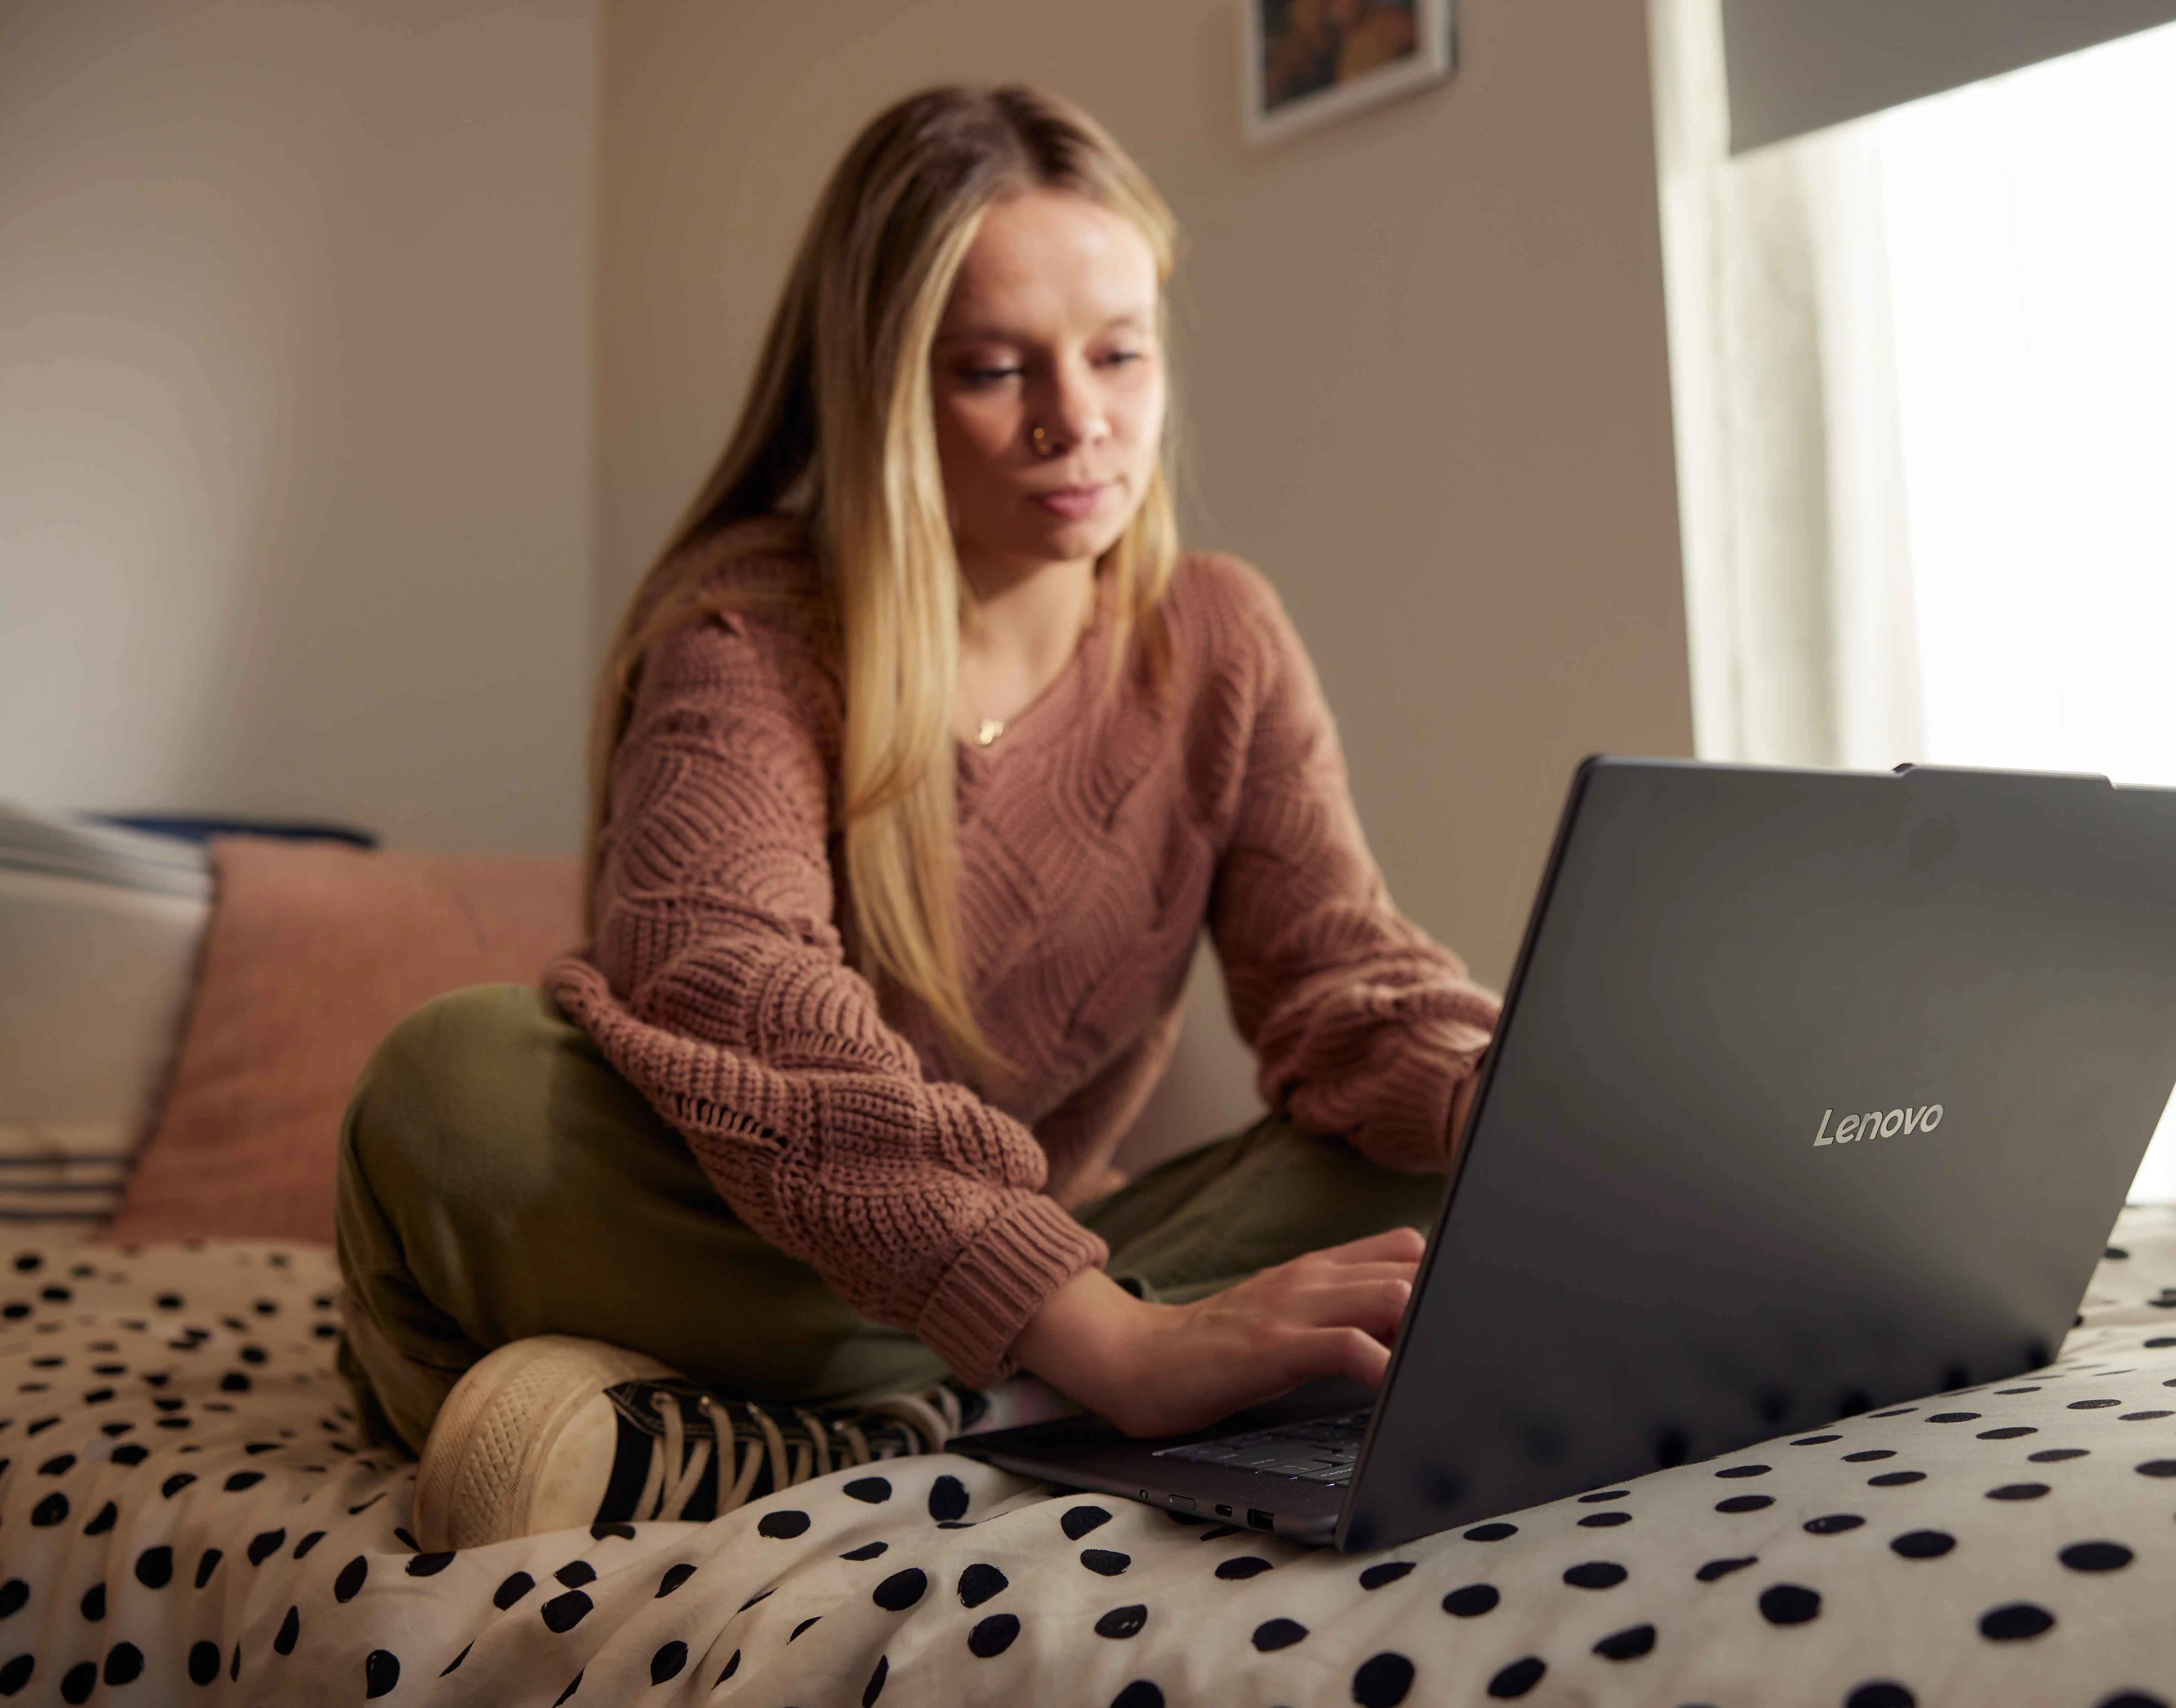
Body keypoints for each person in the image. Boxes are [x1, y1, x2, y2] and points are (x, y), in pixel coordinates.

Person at [332, 83, 1498, 1551]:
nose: (1079, 424)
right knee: (454, 1086)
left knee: (1460, 1143)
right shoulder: (748, 631)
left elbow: (1346, 990)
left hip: (1046, 1259)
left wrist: (1525, 1092)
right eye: (995, 369)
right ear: (877, 383)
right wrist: (1119, 1346)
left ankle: (812, 1424)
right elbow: (738, 995)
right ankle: (1039, 1386)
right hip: (758, 1236)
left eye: (1122, 355)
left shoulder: (1223, 637)